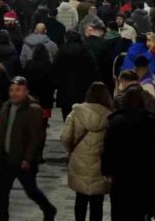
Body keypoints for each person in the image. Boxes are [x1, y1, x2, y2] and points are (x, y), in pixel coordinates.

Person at [0, 76, 57, 221]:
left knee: (31, 190)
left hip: (23, 160)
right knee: (1, 193)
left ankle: (48, 208)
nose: (14, 93)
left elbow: (35, 137)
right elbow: (0, 131)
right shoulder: (6, 106)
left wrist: (28, 158)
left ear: (26, 91)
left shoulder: (33, 109)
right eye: (12, 90)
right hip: (6, 157)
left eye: (18, 90)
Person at [102, 86, 155, 221]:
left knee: (121, 214)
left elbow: (108, 149)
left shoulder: (115, 121)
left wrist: (106, 170)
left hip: (122, 178)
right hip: (144, 178)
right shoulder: (149, 121)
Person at [60, 82, 113, 221]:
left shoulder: (77, 112)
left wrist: (69, 150)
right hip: (100, 164)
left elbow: (65, 136)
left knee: (80, 199)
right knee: (97, 202)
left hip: (79, 160)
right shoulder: (110, 116)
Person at [53, 31, 98, 120]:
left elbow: (55, 69)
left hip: (65, 88)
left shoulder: (62, 50)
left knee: (67, 115)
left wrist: (57, 85)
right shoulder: (85, 50)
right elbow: (92, 69)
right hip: (82, 88)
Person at [23, 43, 55, 130]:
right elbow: (53, 82)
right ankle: (41, 139)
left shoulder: (29, 64)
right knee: (44, 122)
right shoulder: (49, 65)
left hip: (32, 96)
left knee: (33, 121)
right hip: (46, 97)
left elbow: (25, 79)